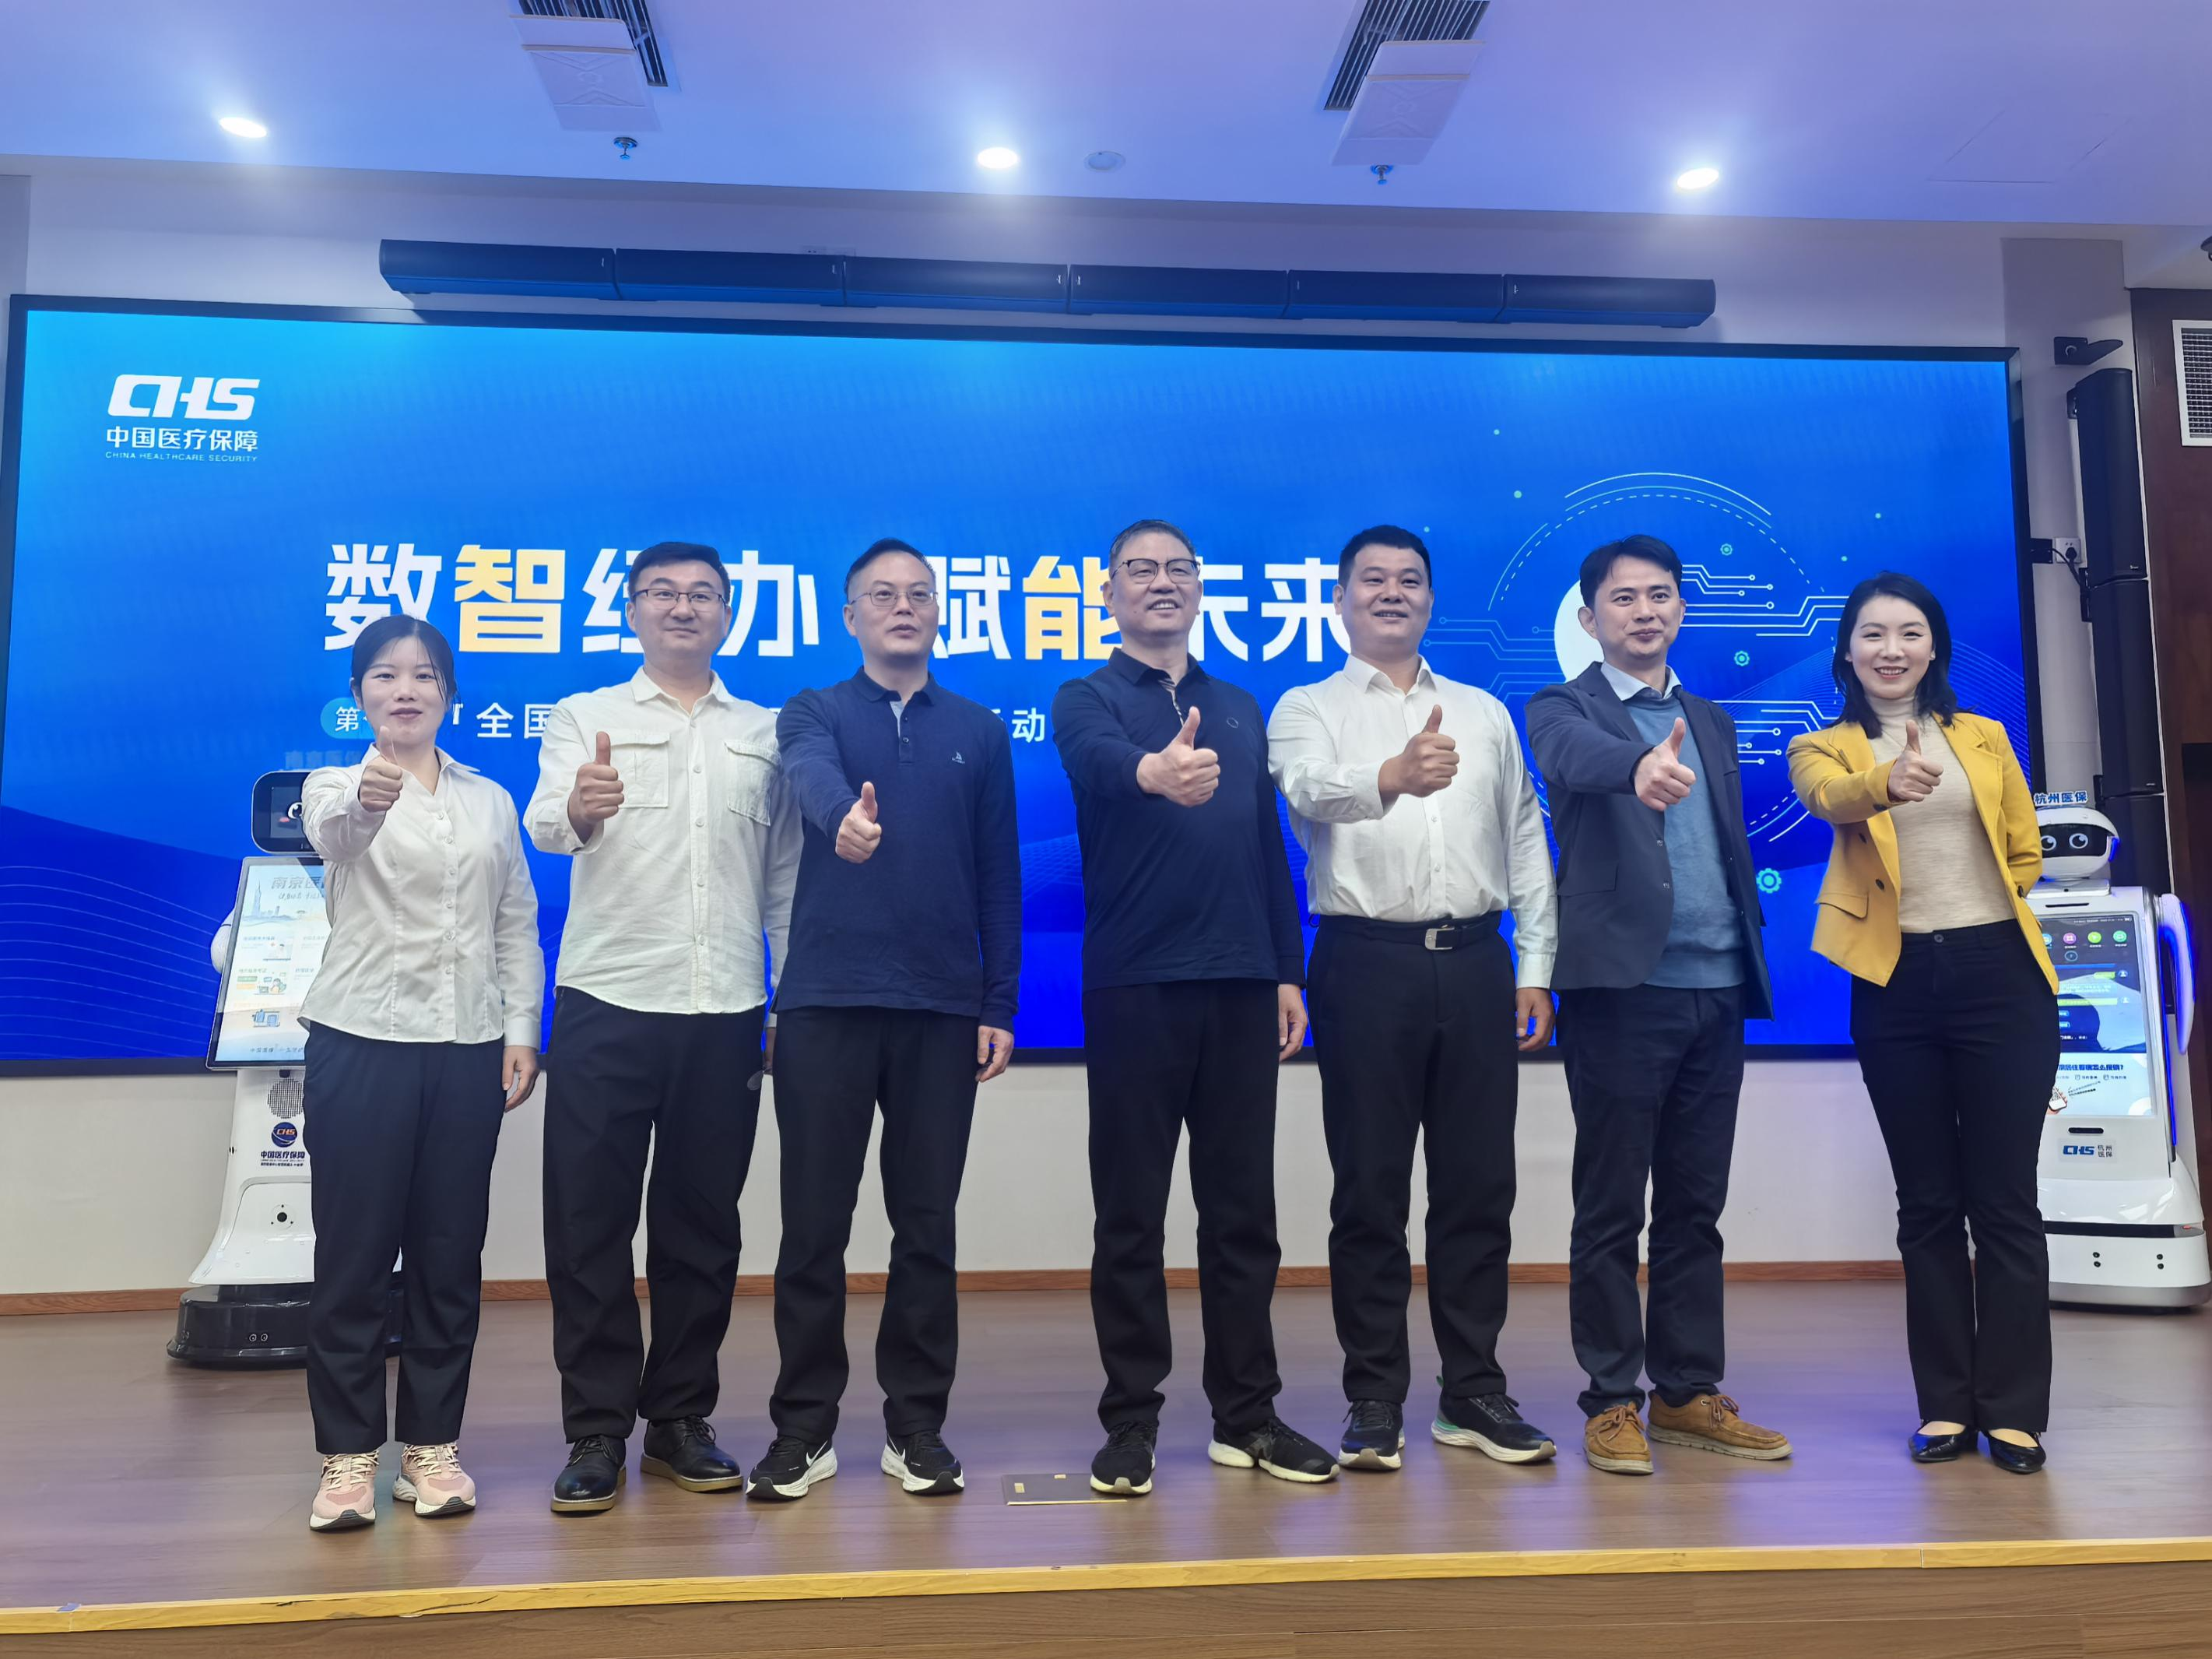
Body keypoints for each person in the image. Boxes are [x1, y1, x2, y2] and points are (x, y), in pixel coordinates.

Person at [1052, 518, 1336, 1496]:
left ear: (1199, 588)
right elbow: (1099, 763)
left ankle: (1246, 1415)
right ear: (1108, 592)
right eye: (1140, 569)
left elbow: (1266, 846)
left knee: (1242, 1214)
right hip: (1134, 984)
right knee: (1131, 1215)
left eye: (1178, 568)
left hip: (1241, 984)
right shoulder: (1085, 697)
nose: (1161, 582)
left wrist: (1287, 971)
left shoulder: (1239, 705)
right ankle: (1130, 1421)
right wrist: (1154, 771)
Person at [1269, 525, 1561, 1474]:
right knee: (1369, 1190)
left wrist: (1534, 964)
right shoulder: (1305, 706)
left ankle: (1472, 1390)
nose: (1391, 592)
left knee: (1478, 1187)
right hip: (1363, 963)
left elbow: (1524, 836)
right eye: (1372, 580)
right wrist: (1389, 777)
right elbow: (1306, 791)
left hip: (1477, 962)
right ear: (1339, 599)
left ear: (1431, 598)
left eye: (1409, 580)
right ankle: (1373, 1396)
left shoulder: (1482, 711)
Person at [525, 541, 800, 1514]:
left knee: (702, 1226)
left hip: (724, 1007)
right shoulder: (584, 714)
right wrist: (579, 806)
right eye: (663, 594)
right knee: (588, 1222)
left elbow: (784, 879)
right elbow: (546, 825)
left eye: (703, 595)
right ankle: (596, 1428)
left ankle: (681, 1416)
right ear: (632, 610)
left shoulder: (766, 732)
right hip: (607, 1000)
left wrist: (787, 1000)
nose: (683, 608)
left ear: (727, 613)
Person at [746, 540, 1021, 1503]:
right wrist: (844, 822)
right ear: (851, 615)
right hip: (824, 1002)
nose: (903, 606)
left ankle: (917, 1429)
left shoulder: (979, 729)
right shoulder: (813, 710)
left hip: (940, 1008)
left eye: (919, 594)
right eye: (882, 594)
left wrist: (998, 1001)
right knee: (812, 1230)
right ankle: (802, 1430)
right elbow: (809, 773)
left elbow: (999, 873)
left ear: (939, 612)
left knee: (927, 1228)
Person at [1524, 535, 1789, 1477]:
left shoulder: (1707, 717)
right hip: (1622, 990)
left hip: (1718, 988)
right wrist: (1636, 768)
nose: (1644, 611)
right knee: (1609, 1208)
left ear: (1681, 609)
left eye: (1660, 595)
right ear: (1589, 617)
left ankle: (1684, 1391)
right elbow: (1572, 759)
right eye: (1624, 597)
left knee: (1693, 1206)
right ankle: (1610, 1399)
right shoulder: (1561, 706)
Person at [1788, 571, 2056, 1474]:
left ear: (1932, 645)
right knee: (1928, 1205)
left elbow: (2022, 848)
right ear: (1847, 650)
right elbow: (1833, 800)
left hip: (1999, 974)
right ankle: (1945, 1405)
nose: (1890, 648)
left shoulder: (1984, 735)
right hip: (1895, 981)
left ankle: (2013, 1412)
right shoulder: (1820, 747)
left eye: (1908, 632)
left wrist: (1984, 909)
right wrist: (1887, 779)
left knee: (2005, 1202)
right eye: (1872, 633)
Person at [297, 615, 543, 1531]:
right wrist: (370, 800)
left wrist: (522, 1030)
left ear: (449, 694)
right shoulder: (334, 785)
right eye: (386, 675)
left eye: (425, 675)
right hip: (360, 1041)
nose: (406, 690)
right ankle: (347, 1457)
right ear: (359, 694)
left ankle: (432, 1447)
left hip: (467, 1046)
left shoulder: (490, 800)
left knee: (448, 1256)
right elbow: (338, 838)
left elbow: (515, 920)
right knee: (354, 1257)